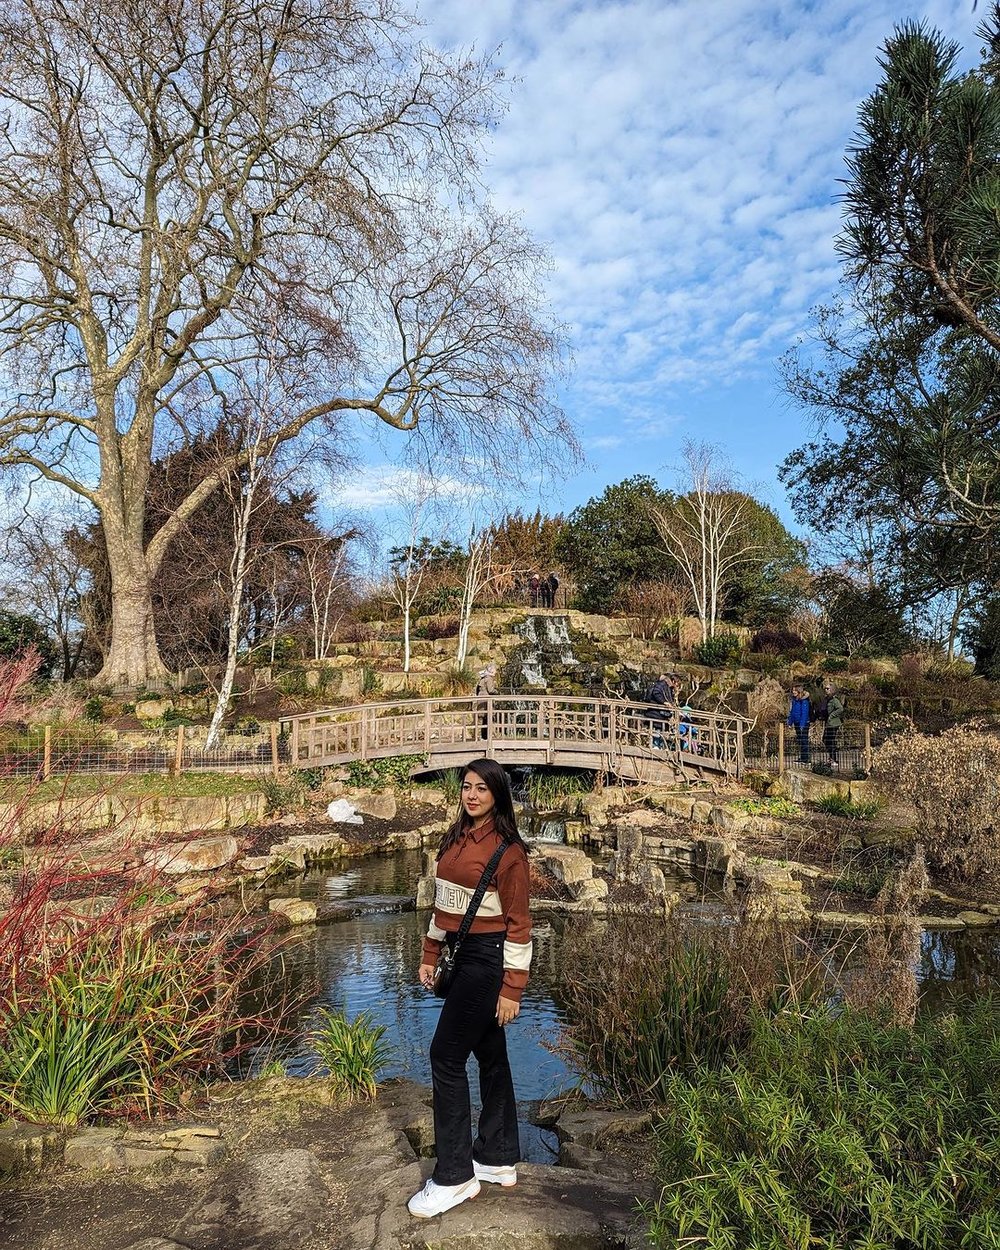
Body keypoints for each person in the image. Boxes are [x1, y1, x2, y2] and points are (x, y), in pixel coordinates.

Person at [409, 759, 532, 1219]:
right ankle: (497, 1157)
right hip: (459, 953)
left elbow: (520, 927)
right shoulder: (455, 838)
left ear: (498, 794)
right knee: (490, 1054)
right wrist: (428, 953)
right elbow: (445, 905)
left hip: (487, 961)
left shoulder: (509, 851)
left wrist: (512, 990)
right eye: (467, 787)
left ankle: (455, 1175)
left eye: (482, 788)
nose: (473, 795)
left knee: (445, 1056)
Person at [821, 681, 845, 769]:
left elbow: (840, 709)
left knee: (830, 740)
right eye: (825, 688)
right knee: (825, 739)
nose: (826, 690)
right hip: (828, 723)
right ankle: (831, 757)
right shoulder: (827, 699)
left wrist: (832, 715)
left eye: (827, 689)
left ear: (832, 690)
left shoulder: (834, 700)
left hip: (833, 723)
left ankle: (834, 759)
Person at [786, 683, 811, 765]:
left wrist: (802, 725)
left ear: (799, 691)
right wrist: (790, 722)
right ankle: (802, 757)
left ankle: (806, 759)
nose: (793, 692)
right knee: (800, 740)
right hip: (797, 722)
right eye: (793, 690)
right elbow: (792, 712)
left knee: (804, 740)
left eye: (795, 690)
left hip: (803, 723)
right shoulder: (794, 700)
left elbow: (804, 713)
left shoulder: (804, 701)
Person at [646, 672, 672, 749]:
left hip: (657, 714)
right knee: (657, 731)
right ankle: (656, 747)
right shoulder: (662, 685)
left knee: (658, 731)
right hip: (656, 714)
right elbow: (656, 693)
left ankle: (657, 746)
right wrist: (664, 702)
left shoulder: (664, 686)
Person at [475, 663, 498, 740]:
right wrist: (497, 692)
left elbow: (477, 689)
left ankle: (482, 736)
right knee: (487, 718)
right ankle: (486, 737)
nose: (496, 671)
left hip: (481, 699)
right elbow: (490, 690)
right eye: (495, 670)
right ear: (491, 670)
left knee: (483, 718)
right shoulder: (489, 678)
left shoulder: (483, 678)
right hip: (486, 700)